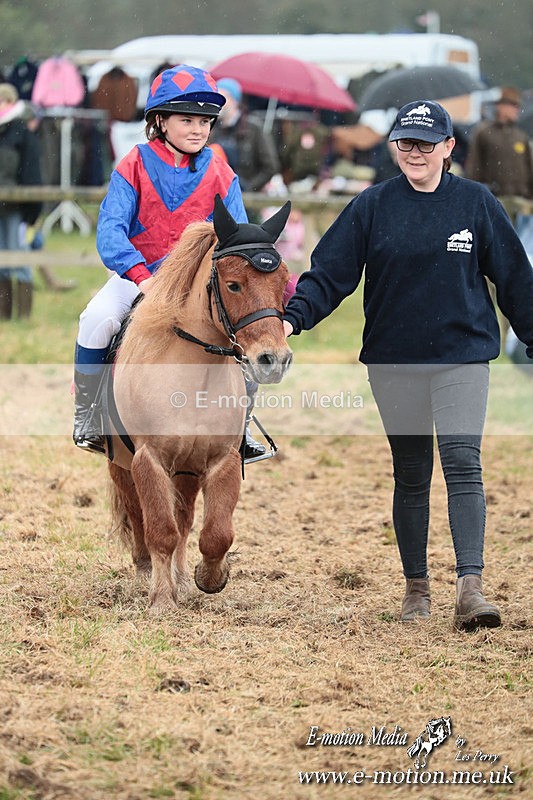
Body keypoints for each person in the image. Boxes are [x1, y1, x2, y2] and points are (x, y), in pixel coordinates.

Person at [283, 100, 533, 631]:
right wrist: (291, 319)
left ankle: (471, 588)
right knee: (413, 472)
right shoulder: (372, 206)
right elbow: (330, 273)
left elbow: (515, 277)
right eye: (405, 142)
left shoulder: (476, 203)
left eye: (425, 143)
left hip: (463, 356)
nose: (414, 152)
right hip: (394, 360)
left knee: (462, 460)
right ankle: (416, 588)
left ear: (448, 147)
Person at [73, 64, 265, 460]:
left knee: (246, 331)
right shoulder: (134, 163)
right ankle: (88, 414)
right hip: (139, 277)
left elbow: (237, 238)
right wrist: (141, 276)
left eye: (204, 122)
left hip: (201, 283)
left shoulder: (221, 171)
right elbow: (110, 230)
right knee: (96, 319)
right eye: (186, 120)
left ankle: (240, 427)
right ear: (160, 121)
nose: (198, 130)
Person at [0, 83, 42, 320]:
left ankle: (24, 315)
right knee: (2, 260)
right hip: (1, 208)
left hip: (17, 208)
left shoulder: (22, 133)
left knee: (20, 256)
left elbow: (31, 173)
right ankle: (4, 313)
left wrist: (32, 210)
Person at [209, 78, 280, 194]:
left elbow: (270, 167)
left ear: (235, 101)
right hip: (218, 196)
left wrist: (248, 189)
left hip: (247, 198)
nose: (218, 103)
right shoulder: (210, 128)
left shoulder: (254, 128)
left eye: (223, 98)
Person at [466, 86, 533, 199]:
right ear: (501, 106)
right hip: (494, 198)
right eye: (514, 106)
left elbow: (530, 168)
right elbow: (474, 167)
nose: (517, 110)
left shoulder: (521, 136)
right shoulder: (484, 133)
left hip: (522, 199)